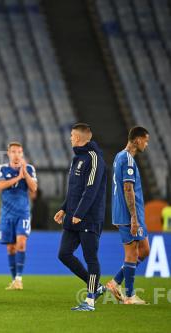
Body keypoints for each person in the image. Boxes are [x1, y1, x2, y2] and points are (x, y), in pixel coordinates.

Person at [54, 123, 107, 311]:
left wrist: (79, 213)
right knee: (64, 254)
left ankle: (90, 301)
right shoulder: (77, 158)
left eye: (71, 135)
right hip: (74, 216)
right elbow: (74, 189)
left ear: (77, 138)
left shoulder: (95, 158)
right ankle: (98, 286)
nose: (69, 138)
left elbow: (91, 190)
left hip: (88, 218)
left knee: (90, 257)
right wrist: (64, 208)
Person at [105, 126, 151, 305]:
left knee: (145, 250)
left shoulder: (119, 156)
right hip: (129, 214)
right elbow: (127, 188)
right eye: (145, 141)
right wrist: (133, 217)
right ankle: (130, 296)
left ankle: (115, 282)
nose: (146, 145)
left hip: (129, 213)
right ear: (138, 140)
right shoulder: (128, 160)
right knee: (132, 253)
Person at [0, 142, 37, 290]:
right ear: (8, 153)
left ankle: (19, 278)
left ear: (22, 153)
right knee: (10, 248)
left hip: (23, 213)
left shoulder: (29, 169)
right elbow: (0, 186)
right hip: (6, 215)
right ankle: (14, 280)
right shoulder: (2, 168)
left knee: (21, 243)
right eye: (13, 152)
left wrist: (24, 174)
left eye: (19, 152)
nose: (16, 154)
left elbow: (34, 189)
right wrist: (18, 177)